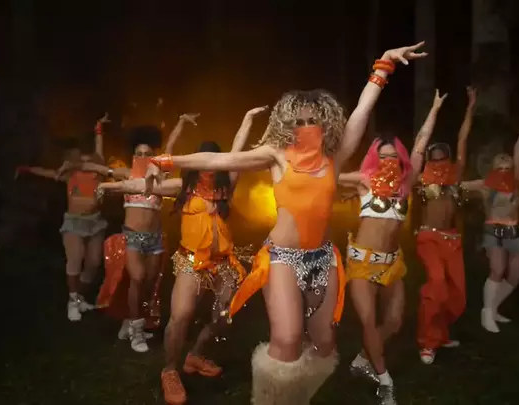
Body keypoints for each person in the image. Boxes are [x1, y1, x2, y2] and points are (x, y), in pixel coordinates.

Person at [145, 41, 427, 405]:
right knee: (288, 339)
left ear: (325, 121)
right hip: (282, 258)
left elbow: (361, 110)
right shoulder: (276, 155)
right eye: (299, 121)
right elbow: (219, 160)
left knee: (324, 345)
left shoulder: (335, 156)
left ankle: (296, 397)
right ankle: (268, 398)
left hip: (323, 259)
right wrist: (167, 161)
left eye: (313, 119)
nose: (306, 126)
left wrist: (383, 67)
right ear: (287, 125)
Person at [98, 106, 267, 405]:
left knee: (224, 317)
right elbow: (137, 185)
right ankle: (170, 370)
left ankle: (195, 355)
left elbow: (237, 150)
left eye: (214, 161)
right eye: (204, 160)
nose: (209, 167)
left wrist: (248, 119)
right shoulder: (183, 188)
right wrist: (109, 186)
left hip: (223, 264)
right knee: (181, 317)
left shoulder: (227, 185)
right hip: (191, 262)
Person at [338, 90, 446, 404]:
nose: (388, 161)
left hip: (391, 263)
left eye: (392, 156)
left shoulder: (405, 185)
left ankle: (363, 358)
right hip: (362, 262)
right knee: (369, 322)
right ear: (375, 158)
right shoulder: (363, 180)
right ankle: (385, 381)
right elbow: (330, 174)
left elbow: (421, 144)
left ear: (399, 158)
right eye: (382, 156)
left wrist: (435, 108)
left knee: (395, 322)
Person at [93, 114, 198, 353]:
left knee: (149, 284)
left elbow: (170, 148)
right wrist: (98, 182)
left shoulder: (159, 176)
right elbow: (98, 167)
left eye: (147, 153)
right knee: (138, 278)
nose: (142, 157)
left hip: (155, 239)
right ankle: (136, 330)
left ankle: (131, 320)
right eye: (138, 153)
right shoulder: (126, 173)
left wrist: (181, 122)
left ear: (153, 156)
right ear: (133, 155)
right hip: (132, 236)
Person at [16, 113, 124, 321]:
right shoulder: (69, 174)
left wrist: (99, 129)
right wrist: (26, 169)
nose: (84, 162)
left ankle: (79, 297)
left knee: (93, 262)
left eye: (87, 159)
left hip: (95, 222)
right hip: (74, 223)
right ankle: (73, 301)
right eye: (80, 159)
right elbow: (47, 173)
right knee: (75, 258)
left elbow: (99, 150)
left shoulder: (98, 169)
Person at [462, 121, 519, 333]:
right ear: (494, 168)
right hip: (494, 229)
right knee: (497, 269)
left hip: (513, 230)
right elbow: (461, 185)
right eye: (500, 168)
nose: (504, 171)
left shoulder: (515, 181)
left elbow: (518, 154)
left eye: (508, 168)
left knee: (516, 274)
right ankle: (487, 313)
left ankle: (493, 307)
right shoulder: (486, 184)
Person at [415, 86, 476, 364]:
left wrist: (471, 106)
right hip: (428, 238)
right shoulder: (422, 177)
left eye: (443, 157)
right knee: (437, 285)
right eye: (435, 157)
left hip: (452, 239)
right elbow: (419, 143)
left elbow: (463, 138)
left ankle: (440, 333)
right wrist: (435, 109)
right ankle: (428, 343)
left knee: (457, 296)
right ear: (429, 159)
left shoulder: (455, 173)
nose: (439, 161)